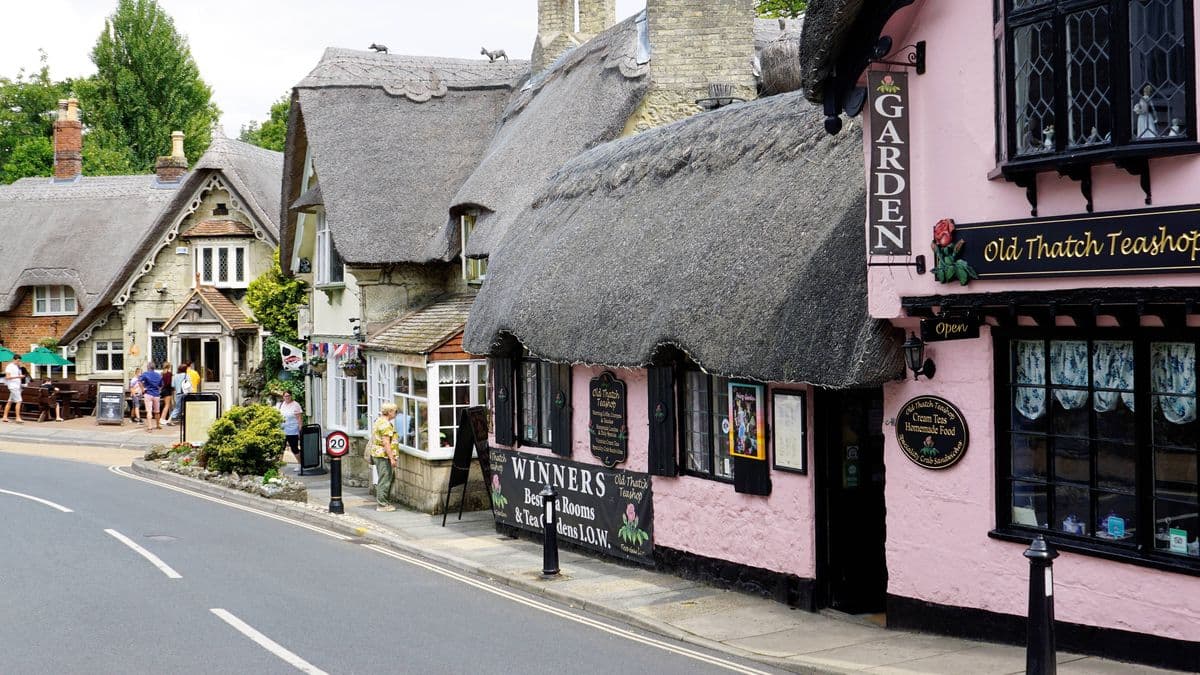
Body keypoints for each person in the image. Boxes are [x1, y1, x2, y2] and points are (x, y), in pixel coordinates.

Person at [366, 402, 400, 512]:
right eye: (395, 411)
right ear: (389, 412)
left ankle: (384, 501)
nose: (396, 413)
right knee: (385, 479)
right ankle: (382, 504)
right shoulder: (385, 425)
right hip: (383, 455)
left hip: (378, 453)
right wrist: (392, 458)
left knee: (387, 477)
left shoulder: (379, 421)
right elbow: (386, 443)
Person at [275, 390, 304, 467]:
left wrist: (300, 431)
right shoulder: (281, 404)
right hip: (282, 430)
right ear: (283, 397)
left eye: (288, 396)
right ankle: (278, 465)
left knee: (294, 449)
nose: (287, 397)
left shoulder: (296, 405)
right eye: (285, 396)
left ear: (291, 396)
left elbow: (299, 419)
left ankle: (301, 464)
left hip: (293, 431)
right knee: (281, 448)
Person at [137, 361, 163, 432]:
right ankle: (158, 425)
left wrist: (143, 389)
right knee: (157, 411)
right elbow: (161, 385)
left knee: (149, 411)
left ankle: (150, 427)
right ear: (154, 367)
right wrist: (159, 390)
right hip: (156, 395)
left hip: (148, 393)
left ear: (148, 367)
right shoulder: (158, 375)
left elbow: (139, 381)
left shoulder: (145, 374)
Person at [3, 354, 23, 424]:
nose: (19, 362)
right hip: (13, 386)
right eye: (18, 361)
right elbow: (7, 377)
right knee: (19, 401)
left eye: (19, 361)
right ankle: (18, 418)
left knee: (10, 401)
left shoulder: (17, 367)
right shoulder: (9, 366)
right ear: (14, 359)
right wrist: (18, 377)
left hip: (17, 386)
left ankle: (5, 417)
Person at [158, 361, 174, 427]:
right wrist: (172, 388)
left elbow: (160, 383)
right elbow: (168, 383)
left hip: (163, 390)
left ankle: (163, 418)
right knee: (167, 405)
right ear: (169, 366)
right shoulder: (169, 374)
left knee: (166, 405)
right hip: (167, 390)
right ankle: (162, 419)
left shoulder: (162, 373)